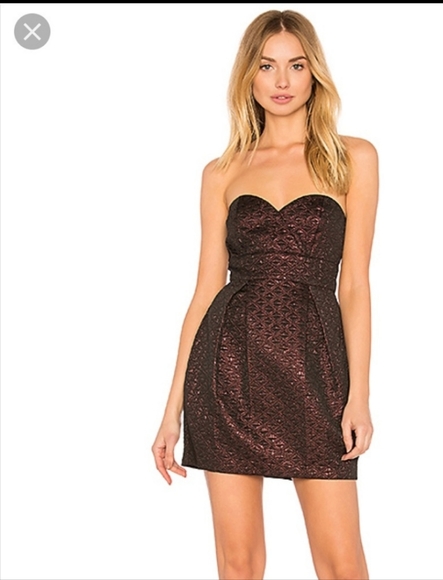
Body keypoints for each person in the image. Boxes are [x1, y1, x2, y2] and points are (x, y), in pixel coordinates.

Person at [152, 9, 378, 580]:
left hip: (315, 369)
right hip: (228, 369)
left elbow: (354, 284)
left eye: (296, 66)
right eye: (266, 65)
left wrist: (358, 395)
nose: (281, 81)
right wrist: (171, 410)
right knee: (239, 564)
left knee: (342, 564)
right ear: (247, 76)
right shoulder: (221, 171)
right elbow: (206, 290)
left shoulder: (353, 157)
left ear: (314, 73)